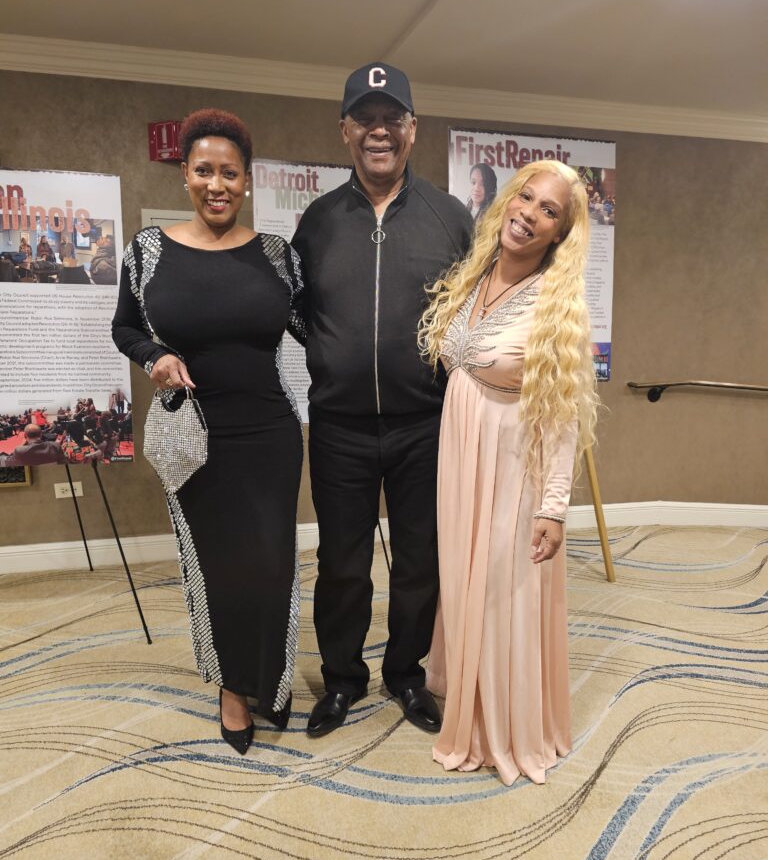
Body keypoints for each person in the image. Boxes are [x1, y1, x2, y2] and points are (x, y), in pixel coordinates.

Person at [112, 107, 305, 755]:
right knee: (218, 568)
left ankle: (271, 679)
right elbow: (124, 327)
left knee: (272, 564)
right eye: (203, 171)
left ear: (246, 180)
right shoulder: (148, 252)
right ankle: (231, 689)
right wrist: (154, 357)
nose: (216, 185)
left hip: (270, 434)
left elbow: (318, 328)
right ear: (185, 176)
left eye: (229, 173)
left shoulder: (277, 256)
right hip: (193, 437)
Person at [291, 63, 473, 738]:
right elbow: (298, 309)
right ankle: (342, 679)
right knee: (341, 564)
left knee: (420, 559)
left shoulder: (449, 218)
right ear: (344, 131)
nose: (379, 131)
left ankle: (406, 674)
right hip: (339, 427)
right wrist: (335, 355)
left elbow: (474, 310)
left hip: (425, 423)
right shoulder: (318, 221)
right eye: (364, 119)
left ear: (412, 129)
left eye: (392, 118)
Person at [419, 160, 598, 786]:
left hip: (513, 463)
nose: (529, 215)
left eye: (549, 211)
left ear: (560, 233)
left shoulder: (557, 305)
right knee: (462, 579)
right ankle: (466, 696)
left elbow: (563, 417)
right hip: (460, 453)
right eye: (526, 198)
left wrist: (554, 507)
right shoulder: (476, 274)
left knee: (502, 590)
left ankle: (504, 726)